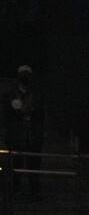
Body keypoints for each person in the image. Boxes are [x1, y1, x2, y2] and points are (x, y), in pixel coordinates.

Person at [2, 63, 43, 200]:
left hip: (32, 137)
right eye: (22, 74)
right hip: (16, 138)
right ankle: (14, 192)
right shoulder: (10, 95)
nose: (25, 77)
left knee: (33, 167)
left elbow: (40, 115)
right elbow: (7, 114)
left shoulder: (36, 95)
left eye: (27, 74)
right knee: (15, 167)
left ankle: (35, 193)